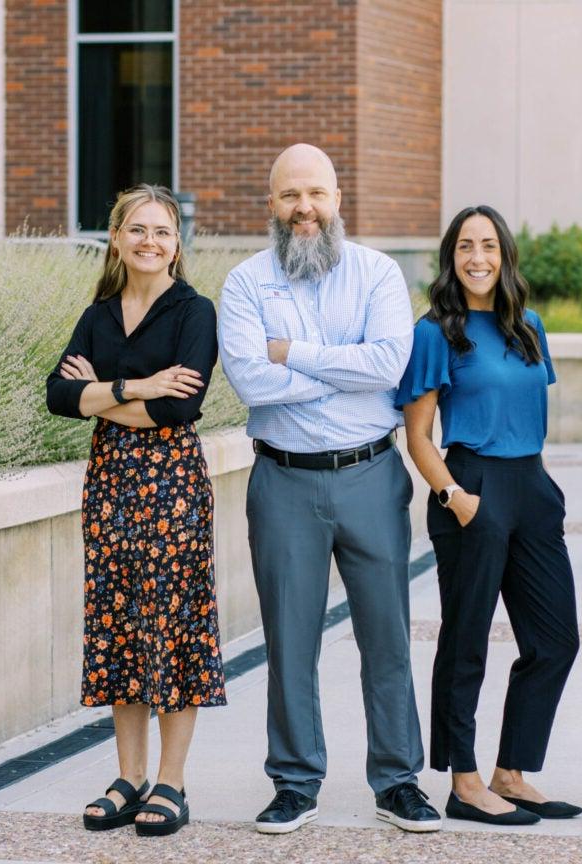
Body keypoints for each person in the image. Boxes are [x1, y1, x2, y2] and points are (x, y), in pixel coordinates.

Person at [217, 144, 441, 834]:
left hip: (372, 474)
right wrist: (342, 371)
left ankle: (398, 779)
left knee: (387, 634)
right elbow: (252, 382)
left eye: (315, 194)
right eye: (290, 196)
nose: (304, 209)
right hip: (283, 481)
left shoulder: (377, 273)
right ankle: (294, 781)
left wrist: (295, 356)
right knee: (289, 639)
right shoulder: (245, 284)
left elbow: (388, 364)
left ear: (338, 198)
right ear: (272, 205)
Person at [46, 184, 224, 837]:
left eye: (163, 231)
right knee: (119, 624)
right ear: (117, 238)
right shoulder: (98, 315)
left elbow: (181, 406)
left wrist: (102, 397)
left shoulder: (194, 312)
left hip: (171, 481)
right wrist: (135, 387)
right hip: (110, 483)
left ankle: (172, 784)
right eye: (138, 229)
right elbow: (58, 395)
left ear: (177, 244)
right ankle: (129, 776)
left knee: (172, 625)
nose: (150, 241)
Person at [395, 205, 581, 826]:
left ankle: (512, 770)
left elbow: (529, 407)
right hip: (469, 484)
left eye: (490, 246)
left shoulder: (529, 325)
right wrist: (454, 495)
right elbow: (417, 433)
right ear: (451, 257)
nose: (479, 257)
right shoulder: (435, 332)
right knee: (468, 638)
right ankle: (465, 780)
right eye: (466, 246)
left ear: (505, 255)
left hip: (530, 483)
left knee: (555, 640)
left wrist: (541, 489)